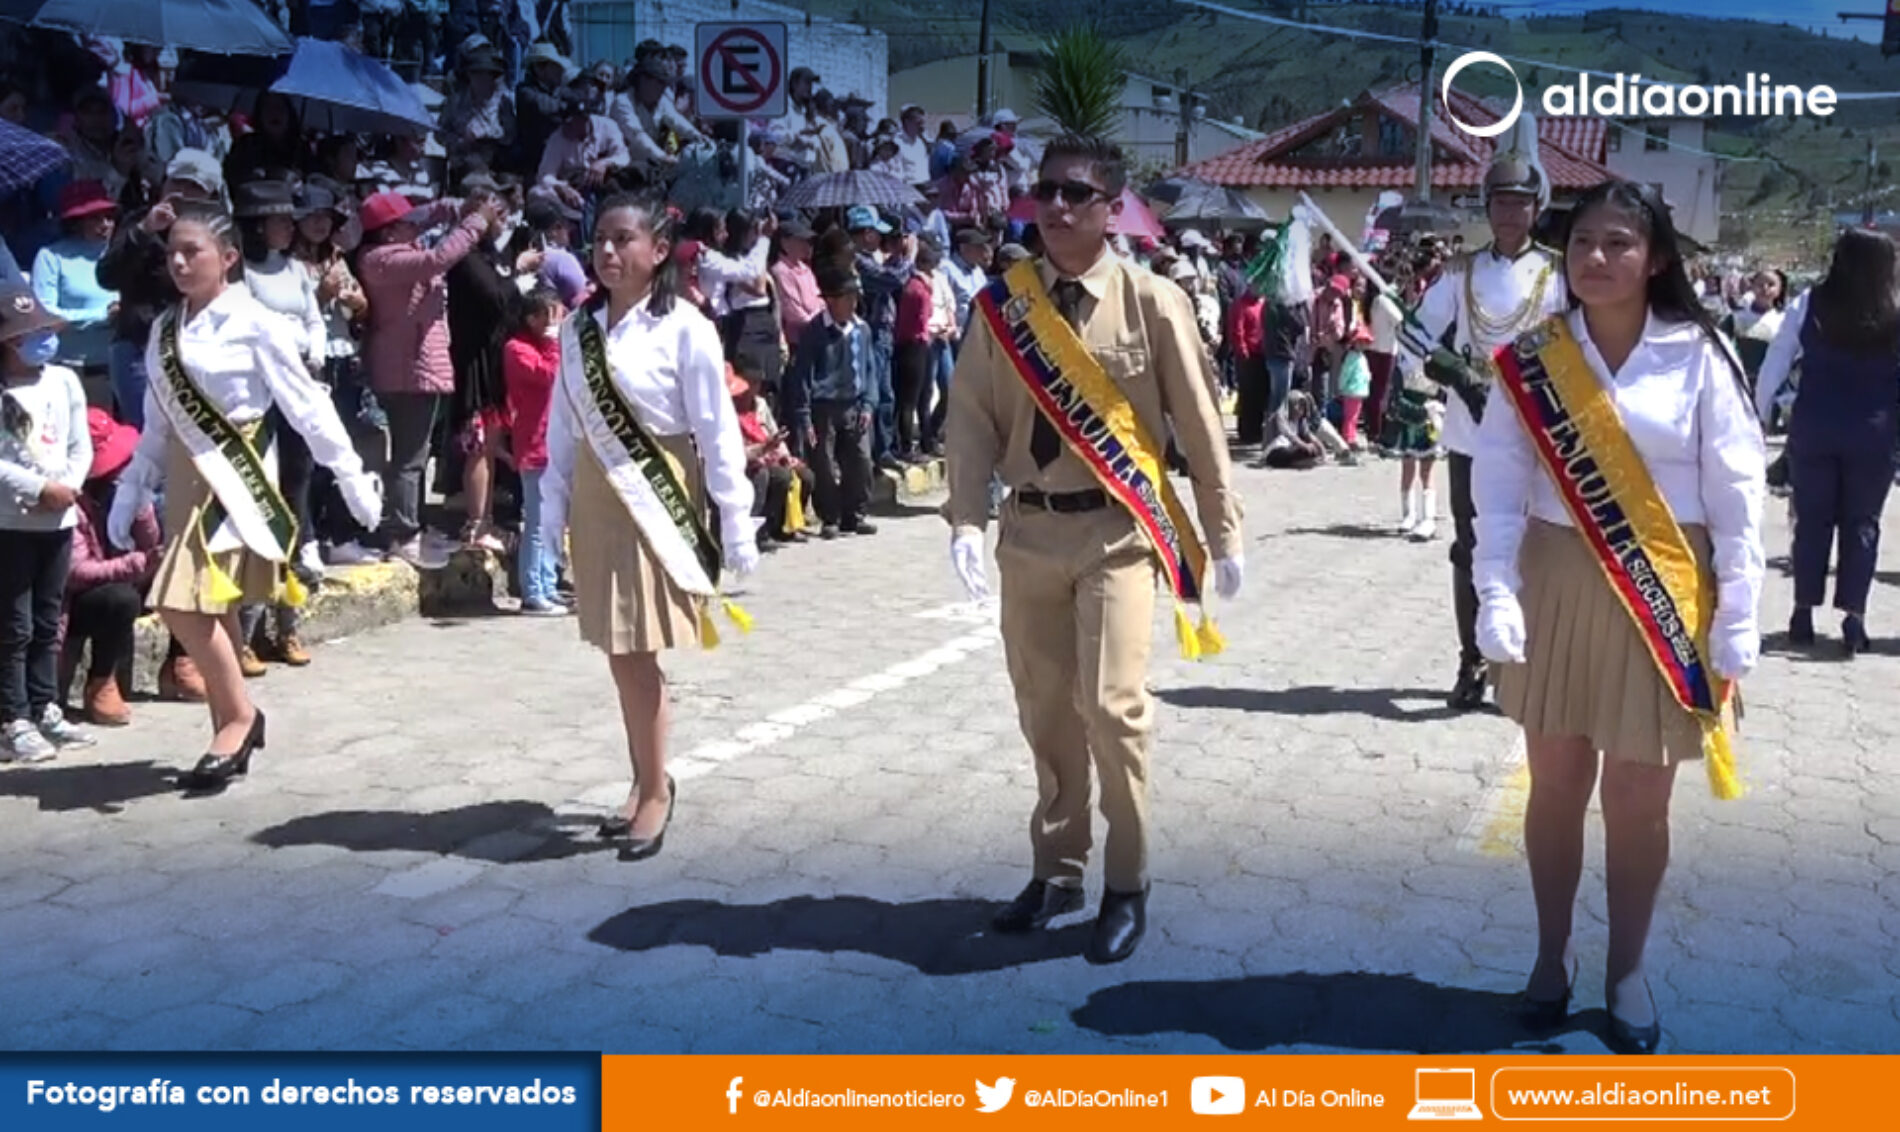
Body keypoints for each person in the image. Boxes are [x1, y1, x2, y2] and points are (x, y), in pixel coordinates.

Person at [1473, 180, 1765, 1054]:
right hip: (1558, 579)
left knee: (1638, 803)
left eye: (1617, 244)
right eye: (1583, 244)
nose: (1595, 259)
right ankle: (1551, 956)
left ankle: (1626, 970)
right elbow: (1496, 474)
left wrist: (1740, 614)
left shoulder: (1701, 356)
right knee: (1556, 789)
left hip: (1666, 590)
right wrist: (1495, 584)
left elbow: (1740, 495)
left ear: (1657, 259)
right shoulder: (1536, 358)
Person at [944, 136, 1244, 964]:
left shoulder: (1152, 302)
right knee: (1044, 710)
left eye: (1077, 193)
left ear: (1114, 209)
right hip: (1030, 530)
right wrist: (966, 518)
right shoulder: (1000, 306)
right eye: (1046, 191)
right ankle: (1058, 868)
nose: (1058, 207)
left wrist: (1223, 530)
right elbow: (970, 416)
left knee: (1113, 709)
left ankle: (1128, 880)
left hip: (1117, 532)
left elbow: (1199, 421)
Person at [108, 202, 383, 791]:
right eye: (173, 253)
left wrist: (352, 474)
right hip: (187, 474)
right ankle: (228, 726)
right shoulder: (165, 327)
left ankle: (238, 716)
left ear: (229, 258)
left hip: (238, 478)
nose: (179, 262)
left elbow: (306, 406)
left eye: (193, 252)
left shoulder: (258, 323)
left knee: (182, 602)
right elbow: (158, 422)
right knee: (214, 606)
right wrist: (132, 486)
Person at [536, 192, 758, 860]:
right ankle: (643, 781)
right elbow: (562, 427)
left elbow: (717, 429)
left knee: (637, 650)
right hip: (600, 499)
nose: (607, 252)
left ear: (658, 251)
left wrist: (735, 518)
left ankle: (656, 790)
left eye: (623, 239)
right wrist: (551, 510)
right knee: (619, 649)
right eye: (600, 239)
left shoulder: (686, 325)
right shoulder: (578, 328)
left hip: (656, 490)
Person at [1410, 112, 1567, 712]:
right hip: (1472, 430)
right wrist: (1453, 369)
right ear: (1487, 206)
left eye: (1520, 203)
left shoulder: (1557, 273)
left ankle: (1529, 661)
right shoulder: (1461, 271)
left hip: (1541, 430)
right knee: (1471, 546)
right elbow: (1416, 335)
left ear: (1537, 207)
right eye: (1500, 202)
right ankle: (1472, 660)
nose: (1509, 213)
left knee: (1539, 545)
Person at [1753, 229, 1899, 655]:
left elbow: (1778, 357)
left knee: (1812, 520)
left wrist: (1758, 412)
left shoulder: (1809, 303)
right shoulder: (1894, 307)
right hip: (1875, 432)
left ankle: (1802, 611)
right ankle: (1854, 620)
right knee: (1863, 523)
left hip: (1815, 424)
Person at [0, 287, 95, 761]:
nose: (40, 341)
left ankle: (45, 706)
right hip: (10, 524)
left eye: (42, 330)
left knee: (46, 619)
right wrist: (37, 489)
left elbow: (81, 446)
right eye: (27, 335)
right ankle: (12, 717)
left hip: (58, 520)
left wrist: (67, 487)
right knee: (12, 625)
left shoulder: (63, 381)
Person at [63, 408, 161, 726]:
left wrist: (140, 507)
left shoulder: (124, 495)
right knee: (120, 599)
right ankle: (100, 682)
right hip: (72, 599)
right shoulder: (70, 504)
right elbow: (76, 573)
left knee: (188, 576)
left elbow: (151, 545)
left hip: (124, 576)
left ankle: (181, 664)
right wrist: (136, 563)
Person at [503, 285, 566, 615]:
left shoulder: (550, 346)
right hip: (534, 445)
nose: (552, 320)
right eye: (545, 313)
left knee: (553, 523)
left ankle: (548, 583)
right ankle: (532, 591)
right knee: (537, 524)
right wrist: (555, 342)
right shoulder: (517, 349)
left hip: (557, 446)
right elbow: (549, 375)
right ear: (529, 317)